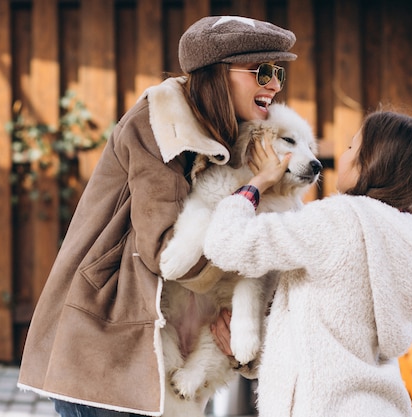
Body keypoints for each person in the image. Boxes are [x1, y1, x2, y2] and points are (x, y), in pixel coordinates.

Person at [17, 15, 298, 417]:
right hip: (111, 351)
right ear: (219, 74)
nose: (274, 85)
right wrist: (254, 190)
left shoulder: (236, 140)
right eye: (263, 72)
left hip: (171, 360)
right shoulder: (159, 126)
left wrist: (245, 336)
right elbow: (167, 253)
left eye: (279, 74)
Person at [205, 110, 412, 417]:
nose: (342, 156)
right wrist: (250, 356)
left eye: (352, 147)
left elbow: (225, 242)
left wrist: (258, 183)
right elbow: (334, 339)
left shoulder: (338, 221)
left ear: (370, 161)